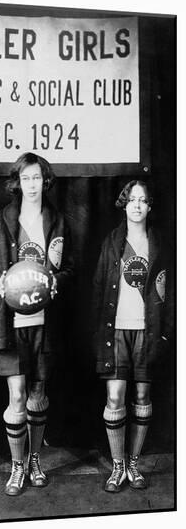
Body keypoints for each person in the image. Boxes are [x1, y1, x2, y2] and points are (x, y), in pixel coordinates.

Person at [0, 152, 74, 496]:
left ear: (44, 181)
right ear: (17, 183)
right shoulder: (2, 220)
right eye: (26, 178)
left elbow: (70, 268)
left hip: (45, 322)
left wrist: (54, 282)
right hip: (11, 322)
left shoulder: (57, 220)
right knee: (17, 395)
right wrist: (3, 281)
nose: (32, 184)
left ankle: (35, 459)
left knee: (38, 393)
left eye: (37, 178)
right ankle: (17, 466)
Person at [92, 180, 173, 493]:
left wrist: (165, 334)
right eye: (132, 200)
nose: (137, 206)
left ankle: (134, 463)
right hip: (116, 332)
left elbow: (171, 294)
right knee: (115, 396)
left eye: (143, 200)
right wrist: (99, 336)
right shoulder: (111, 243)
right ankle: (117, 466)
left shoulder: (161, 245)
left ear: (150, 206)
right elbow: (99, 290)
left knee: (141, 397)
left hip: (146, 332)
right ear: (123, 205)